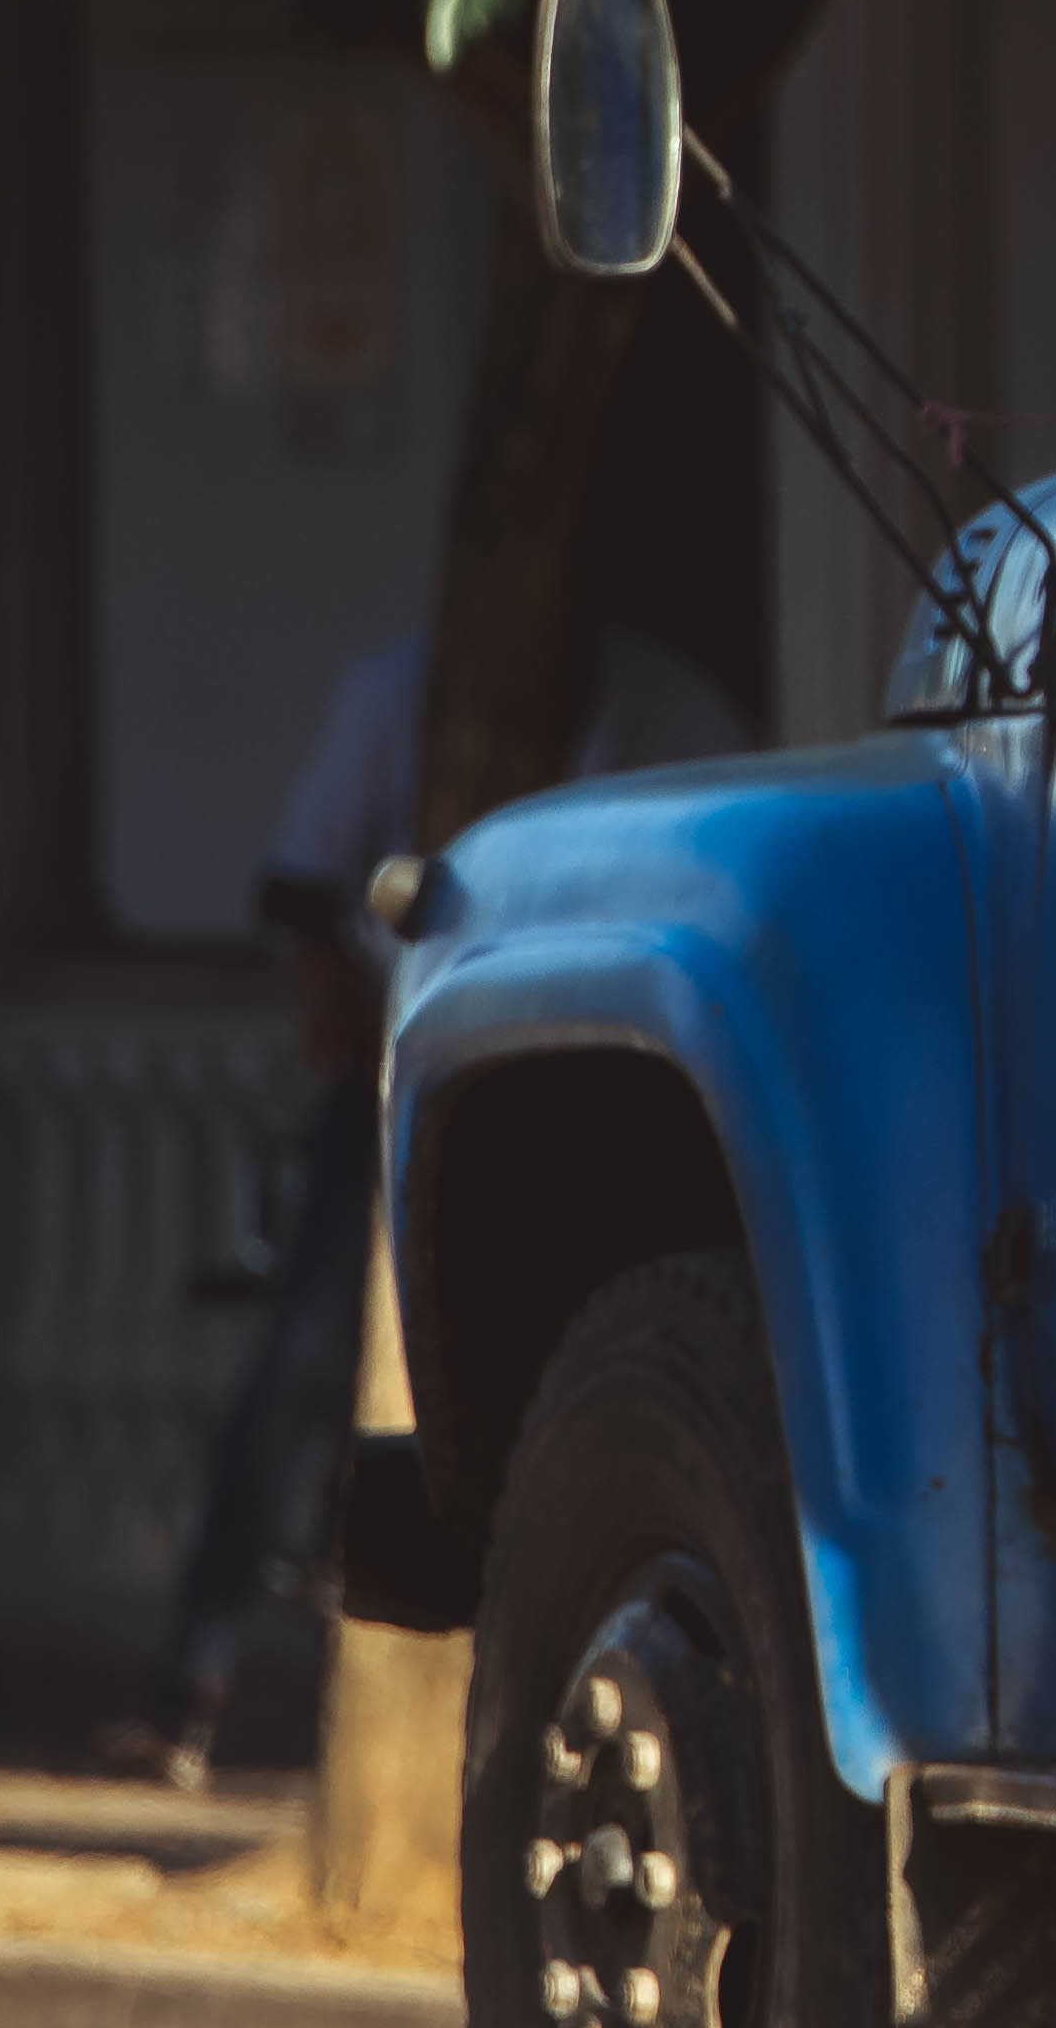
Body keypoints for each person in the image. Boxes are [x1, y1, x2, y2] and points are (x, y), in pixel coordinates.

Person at [134, 617, 752, 1778]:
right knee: (308, 1367)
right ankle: (197, 1677)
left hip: (591, 1101)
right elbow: (306, 886)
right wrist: (346, 1027)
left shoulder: (671, 707)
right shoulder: (397, 691)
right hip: (403, 1071)